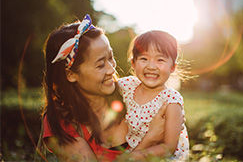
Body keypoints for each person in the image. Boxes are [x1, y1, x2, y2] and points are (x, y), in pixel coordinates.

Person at [37, 14, 167, 162]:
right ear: (71, 74)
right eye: (100, 65)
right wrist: (149, 140)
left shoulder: (134, 94)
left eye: (111, 57)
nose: (111, 69)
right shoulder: (62, 123)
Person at [118, 30, 189, 161]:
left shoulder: (170, 100)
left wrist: (132, 158)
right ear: (133, 63)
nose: (151, 66)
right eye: (144, 59)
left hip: (159, 157)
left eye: (160, 60)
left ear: (172, 67)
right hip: (132, 151)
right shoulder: (127, 86)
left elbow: (169, 147)